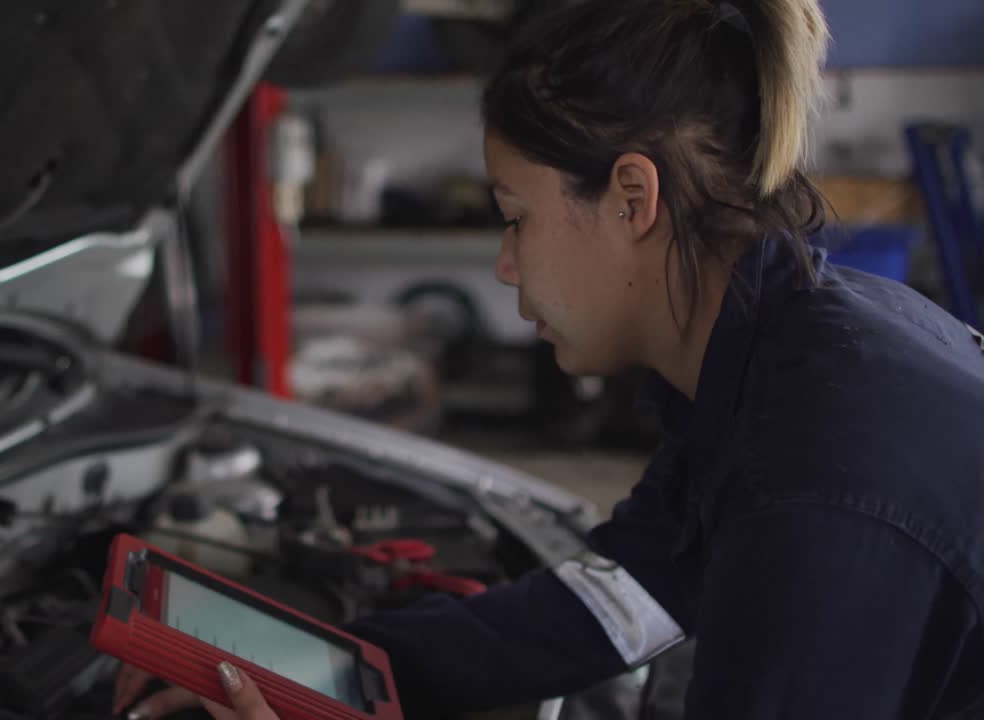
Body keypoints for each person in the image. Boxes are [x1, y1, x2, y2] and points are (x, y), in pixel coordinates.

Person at [114, 0, 984, 717]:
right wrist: (301, 671)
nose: (504, 261)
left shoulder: (818, 476)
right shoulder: (772, 360)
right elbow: (603, 614)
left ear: (631, 198)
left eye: (515, 215)